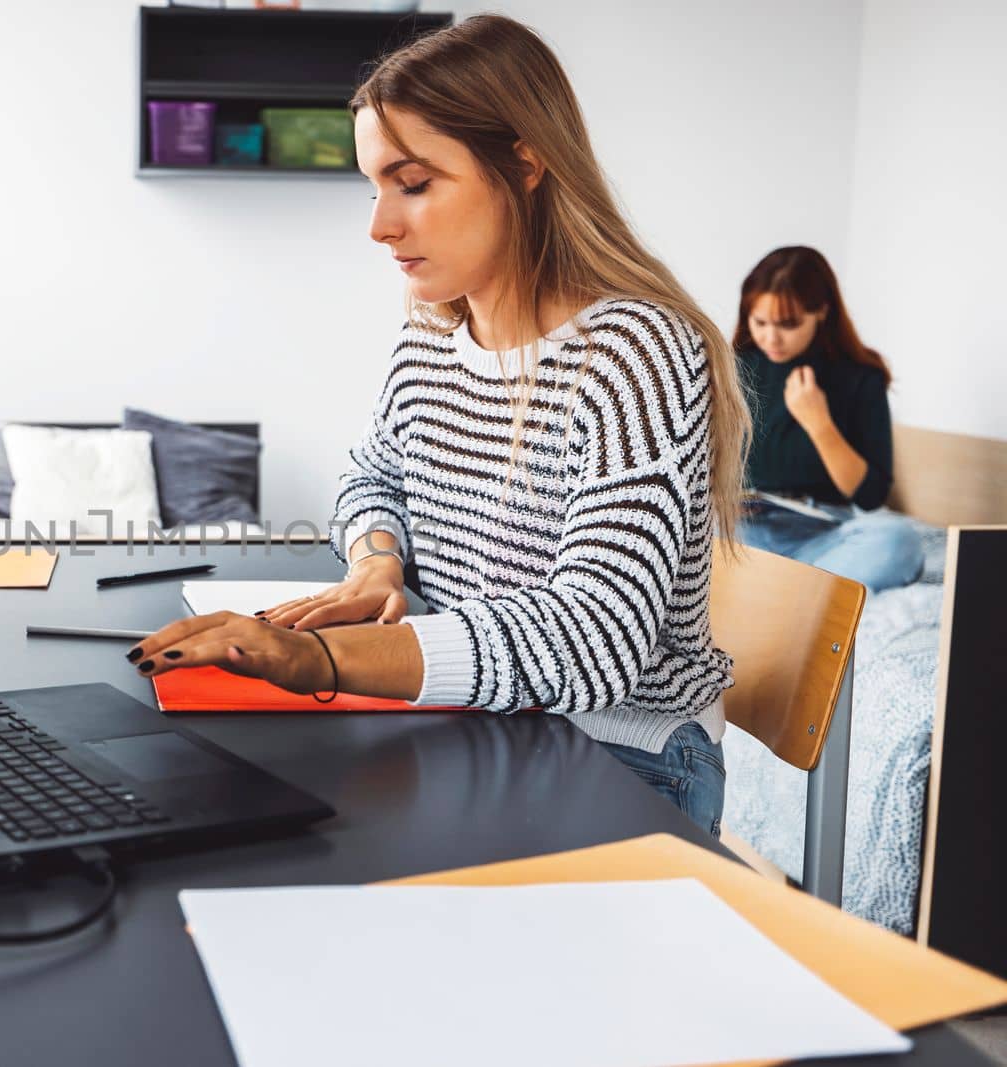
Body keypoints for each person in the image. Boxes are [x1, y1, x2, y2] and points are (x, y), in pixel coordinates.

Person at [124, 15, 748, 836]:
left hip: (619, 755)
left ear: (524, 163)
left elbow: (596, 637)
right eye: (374, 188)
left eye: (413, 183)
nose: (380, 225)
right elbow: (372, 477)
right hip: (485, 723)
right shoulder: (433, 338)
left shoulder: (635, 352)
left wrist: (322, 660)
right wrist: (377, 561)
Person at [732, 246, 922, 592]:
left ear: (821, 311)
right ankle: (797, 592)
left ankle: (778, 593)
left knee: (900, 540)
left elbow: (870, 496)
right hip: (744, 532)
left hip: (823, 537)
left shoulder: (861, 377)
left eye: (788, 324)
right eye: (759, 322)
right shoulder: (735, 367)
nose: (771, 338)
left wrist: (818, 422)